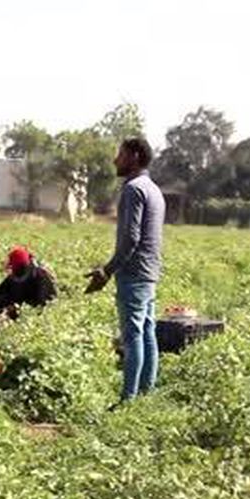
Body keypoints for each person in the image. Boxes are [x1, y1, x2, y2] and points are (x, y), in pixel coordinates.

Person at [86, 137, 166, 405]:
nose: (115, 159)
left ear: (133, 156)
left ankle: (128, 400)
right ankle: (146, 393)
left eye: (120, 154)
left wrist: (107, 271)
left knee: (133, 336)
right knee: (146, 331)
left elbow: (130, 239)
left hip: (134, 273)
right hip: (150, 271)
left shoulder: (133, 189)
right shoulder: (154, 189)